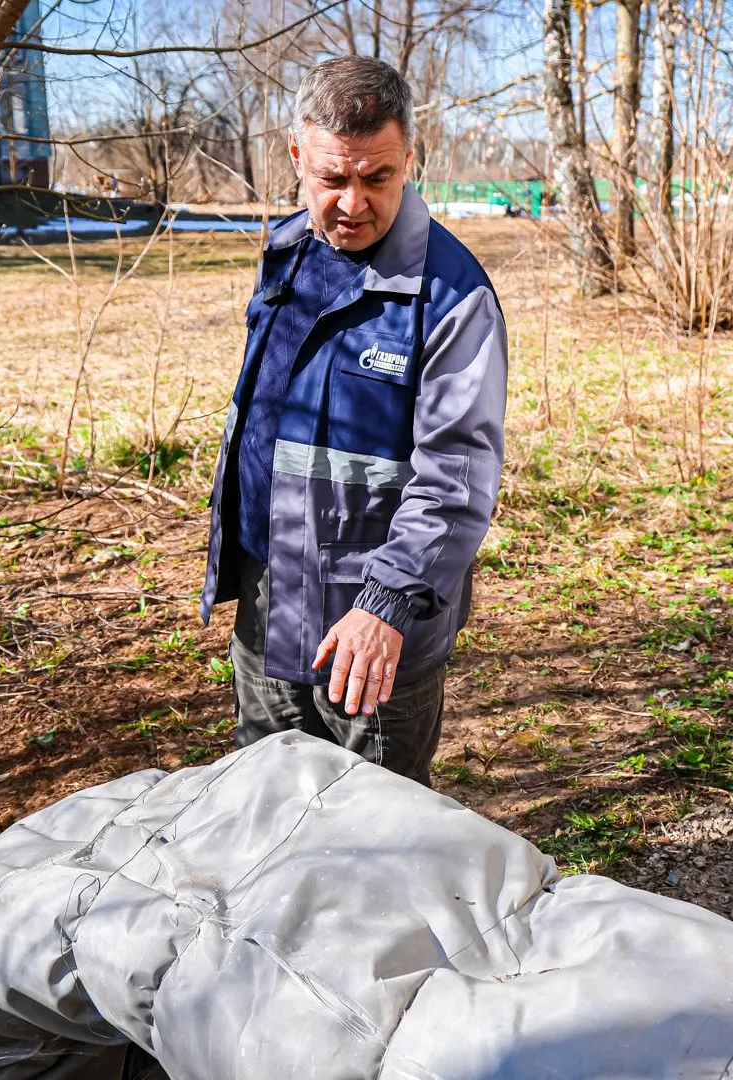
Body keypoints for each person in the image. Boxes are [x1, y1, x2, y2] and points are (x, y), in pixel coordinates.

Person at [197, 57, 508, 787]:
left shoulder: (452, 295)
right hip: (269, 606)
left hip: (372, 631)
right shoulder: (285, 256)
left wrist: (388, 605)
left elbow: (458, 476)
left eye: (377, 178)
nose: (351, 204)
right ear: (297, 156)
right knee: (265, 818)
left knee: (372, 853)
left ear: (410, 160)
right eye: (332, 179)